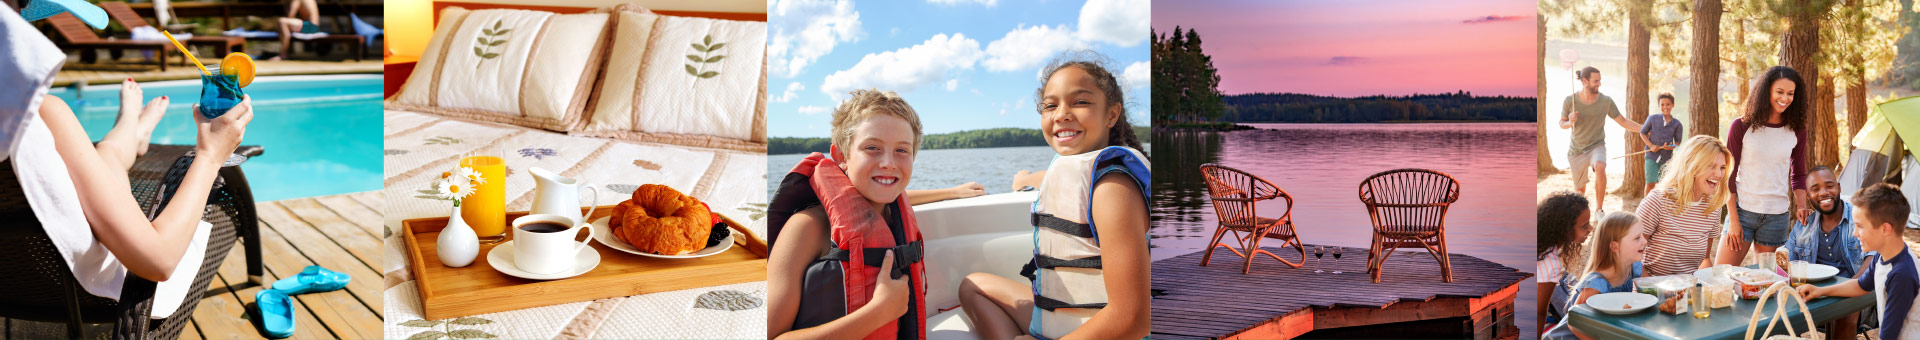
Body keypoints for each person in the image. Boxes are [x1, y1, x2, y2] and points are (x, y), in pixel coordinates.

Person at [2, 0, 253, 315]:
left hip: (15, 279)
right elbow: (158, 261)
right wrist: (211, 153)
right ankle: (130, 132)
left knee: (104, 154)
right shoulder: (43, 113)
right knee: (105, 154)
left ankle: (130, 131)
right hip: (99, 280)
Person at [958, 52, 1151, 340]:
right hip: (1059, 327)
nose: (1061, 114)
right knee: (973, 286)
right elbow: (1055, 179)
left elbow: (1134, 319)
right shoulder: (1076, 170)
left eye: (1080, 102)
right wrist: (1024, 179)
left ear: (1111, 114)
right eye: (1050, 106)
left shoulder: (1113, 190)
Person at [766, 89, 928, 339]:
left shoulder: (894, 216)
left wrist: (956, 191)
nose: (888, 163)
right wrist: (878, 312)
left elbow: (902, 193)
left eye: (902, 151)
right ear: (841, 156)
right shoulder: (805, 229)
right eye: (872, 147)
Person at [1797, 183, 1920, 340]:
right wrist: (1819, 291)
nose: (1855, 233)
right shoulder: (1883, 256)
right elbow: (1860, 286)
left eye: (1860, 226)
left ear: (1885, 229)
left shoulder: (1902, 274)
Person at [1718, 66, 1811, 267]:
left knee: (1766, 281)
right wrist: (1733, 220)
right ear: (1766, 91)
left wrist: (1802, 205)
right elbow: (1729, 176)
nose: (1785, 98)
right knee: (1720, 277)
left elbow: (1799, 173)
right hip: (1743, 211)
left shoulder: (1797, 129)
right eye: (1779, 92)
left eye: (1790, 94)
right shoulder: (1741, 126)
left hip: (1776, 217)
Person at [1784, 165, 1867, 340]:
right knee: (1781, 314)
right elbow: (1786, 262)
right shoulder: (1804, 225)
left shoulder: (1859, 217)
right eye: (1815, 189)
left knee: (1846, 312)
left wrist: (1850, 288)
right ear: (1808, 195)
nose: (1823, 192)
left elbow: (1872, 259)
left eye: (1829, 186)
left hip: (1853, 288)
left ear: (1839, 188)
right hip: (1811, 290)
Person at [1636, 135, 1731, 277]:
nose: (1718, 174)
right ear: (1691, 165)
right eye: (1711, 166)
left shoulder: (1713, 207)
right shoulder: (1657, 201)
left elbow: (1704, 260)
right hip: (1651, 291)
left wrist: (1708, 285)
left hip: (1688, 292)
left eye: (1722, 167)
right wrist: (1655, 289)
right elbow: (1631, 258)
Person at [1543, 212, 1646, 340]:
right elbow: (1574, 322)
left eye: (1643, 235)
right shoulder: (1597, 284)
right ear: (1615, 246)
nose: (1645, 241)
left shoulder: (1634, 266)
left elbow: (1648, 291)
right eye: (1637, 238)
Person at [1558, 67, 1641, 213]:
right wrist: (1570, 122)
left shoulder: (1606, 101)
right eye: (1596, 81)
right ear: (1585, 81)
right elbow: (1562, 124)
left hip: (1597, 145)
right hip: (1576, 150)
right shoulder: (1569, 101)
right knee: (1580, 190)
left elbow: (1623, 121)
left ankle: (1599, 210)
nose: (1599, 84)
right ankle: (1580, 214)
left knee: (1600, 166)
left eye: (1600, 80)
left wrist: (1645, 128)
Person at [1537, 191, 1592, 332]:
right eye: (1584, 226)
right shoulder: (1549, 263)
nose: (1590, 229)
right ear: (1565, 229)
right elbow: (1538, 313)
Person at [1640, 93, 1684, 195]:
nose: (1665, 107)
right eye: (1662, 104)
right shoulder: (1652, 119)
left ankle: (1661, 207)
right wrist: (1651, 146)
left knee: (1664, 184)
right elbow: (1642, 133)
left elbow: (1678, 143)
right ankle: (1647, 206)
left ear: (1673, 105)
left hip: (1667, 159)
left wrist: (1670, 147)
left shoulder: (1677, 124)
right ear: (1659, 105)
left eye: (1668, 104)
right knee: (1650, 183)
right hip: (1651, 156)